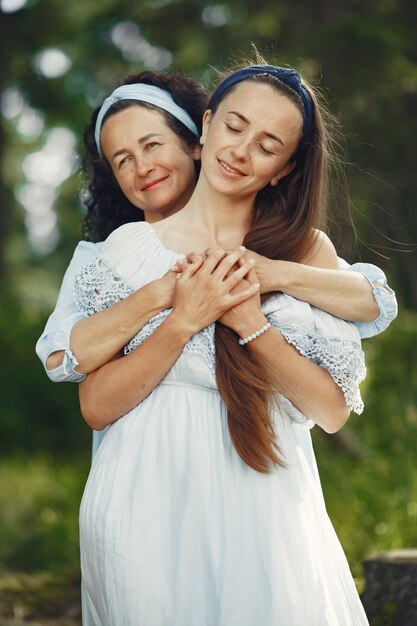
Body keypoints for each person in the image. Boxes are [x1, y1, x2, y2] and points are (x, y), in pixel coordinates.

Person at [74, 62, 377, 624]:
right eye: (234, 127)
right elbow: (95, 406)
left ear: (285, 169)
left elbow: (331, 410)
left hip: (265, 500)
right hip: (142, 503)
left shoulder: (304, 252)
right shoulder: (128, 252)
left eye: (267, 145)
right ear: (206, 125)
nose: (240, 151)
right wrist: (183, 318)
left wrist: (250, 323)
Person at [36, 70, 397, 462]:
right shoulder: (121, 252)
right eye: (123, 160)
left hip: (266, 489)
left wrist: (257, 307)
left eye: (153, 145)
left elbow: (367, 309)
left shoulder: (296, 246)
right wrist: (174, 305)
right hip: (143, 478)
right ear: (208, 126)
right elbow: (70, 370)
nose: (143, 168)